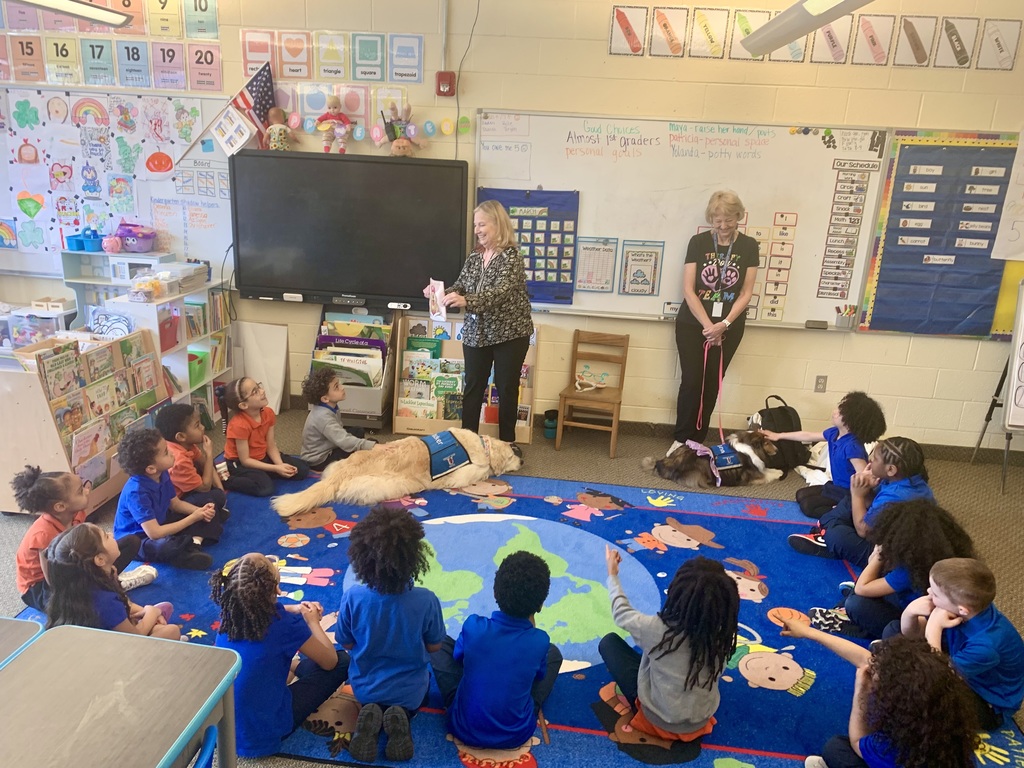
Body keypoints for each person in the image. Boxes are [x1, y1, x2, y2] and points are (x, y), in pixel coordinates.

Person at [780, 618, 979, 768]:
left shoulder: (891, 749)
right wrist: (809, 632)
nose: (872, 671)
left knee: (836, 749)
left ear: (897, 698)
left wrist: (861, 691)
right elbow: (867, 661)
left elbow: (857, 741)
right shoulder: (941, 714)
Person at [212, 552, 349, 758]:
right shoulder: (284, 625)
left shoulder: (231, 614)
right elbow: (330, 662)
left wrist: (292, 608)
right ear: (276, 587)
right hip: (265, 732)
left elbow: (263, 610)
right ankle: (295, 667)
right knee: (341, 662)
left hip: (222, 729)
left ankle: (292, 666)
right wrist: (312, 622)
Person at [336, 506, 445, 763]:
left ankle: (371, 713)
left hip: (365, 688)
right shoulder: (426, 601)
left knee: (361, 685)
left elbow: (346, 641)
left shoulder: (353, 596)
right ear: (413, 558)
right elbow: (434, 647)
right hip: (411, 693)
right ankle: (401, 716)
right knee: (420, 692)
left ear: (361, 557)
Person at [598, 547, 739, 742]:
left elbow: (621, 613)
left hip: (657, 720)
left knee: (609, 644)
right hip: (700, 719)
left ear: (676, 593)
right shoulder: (723, 632)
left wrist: (612, 574)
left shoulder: (657, 629)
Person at [426, 200, 533, 452]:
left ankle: (507, 443)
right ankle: (467, 442)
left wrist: (466, 301)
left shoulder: (512, 258)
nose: (477, 229)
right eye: (476, 225)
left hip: (510, 333)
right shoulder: (475, 256)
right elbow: (461, 284)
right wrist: (439, 293)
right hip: (477, 333)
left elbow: (500, 293)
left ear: (498, 224)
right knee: (473, 386)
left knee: (507, 388)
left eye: (482, 224)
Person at [430, 551, 562, 749]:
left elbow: (458, 658)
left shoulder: (473, 626)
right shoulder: (540, 640)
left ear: (495, 592)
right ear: (541, 605)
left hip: (461, 727)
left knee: (439, 641)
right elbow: (539, 676)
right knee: (553, 654)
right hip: (517, 733)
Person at [669, 190, 759, 456]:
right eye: (718, 221)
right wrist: (710, 326)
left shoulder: (749, 246)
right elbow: (688, 289)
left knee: (711, 383)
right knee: (692, 381)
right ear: (711, 219)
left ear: (738, 217)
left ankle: (697, 441)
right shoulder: (697, 242)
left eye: (729, 220)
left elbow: (746, 292)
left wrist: (725, 324)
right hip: (693, 324)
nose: (723, 226)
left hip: (728, 327)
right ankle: (681, 439)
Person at [813, 499, 974, 639]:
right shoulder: (943, 559)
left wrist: (879, 556)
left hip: (918, 626)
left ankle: (858, 627)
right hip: (924, 616)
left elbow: (862, 587)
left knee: (856, 603)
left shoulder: (907, 571)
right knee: (872, 585)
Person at [900, 557, 1024, 731]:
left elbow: (935, 676)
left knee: (922, 695)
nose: (928, 593)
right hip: (959, 665)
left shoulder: (987, 646)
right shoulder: (966, 610)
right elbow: (912, 635)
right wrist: (910, 612)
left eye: (935, 594)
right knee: (894, 632)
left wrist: (934, 628)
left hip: (987, 703)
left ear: (962, 610)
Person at [12, 465, 153, 610]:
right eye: (80, 491)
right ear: (60, 507)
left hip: (68, 567)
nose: (87, 491)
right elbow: (54, 580)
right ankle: (106, 585)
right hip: (41, 588)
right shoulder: (43, 535)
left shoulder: (77, 513)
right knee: (86, 607)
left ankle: (109, 582)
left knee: (131, 542)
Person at [789, 437, 933, 565]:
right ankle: (827, 530)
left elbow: (863, 531)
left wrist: (858, 495)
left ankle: (827, 541)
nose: (870, 460)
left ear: (891, 469)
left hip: (887, 556)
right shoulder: (910, 479)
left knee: (837, 534)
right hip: (887, 532)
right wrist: (865, 490)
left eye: (875, 459)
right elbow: (871, 504)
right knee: (849, 501)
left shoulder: (896, 495)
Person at [760, 391, 886, 519]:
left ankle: (846, 513)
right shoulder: (834, 433)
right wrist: (778, 436)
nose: (835, 411)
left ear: (851, 420)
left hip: (849, 493)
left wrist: (860, 499)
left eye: (840, 411)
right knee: (801, 495)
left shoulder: (852, 446)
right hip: (837, 486)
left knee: (808, 506)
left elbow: (865, 475)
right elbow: (807, 435)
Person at [45, 523, 181, 640]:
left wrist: (143, 612)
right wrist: (152, 612)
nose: (111, 533)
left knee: (152, 625)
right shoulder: (104, 600)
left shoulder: (83, 583)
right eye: (106, 535)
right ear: (100, 560)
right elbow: (134, 636)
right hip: (109, 655)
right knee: (172, 631)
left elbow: (124, 602)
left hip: (98, 642)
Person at [112, 428, 224, 570]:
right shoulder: (136, 492)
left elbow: (175, 504)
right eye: (166, 452)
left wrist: (200, 511)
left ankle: (194, 544)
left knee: (210, 502)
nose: (171, 453)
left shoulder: (162, 473)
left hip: (162, 520)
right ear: (151, 469)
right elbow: (154, 533)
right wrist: (194, 518)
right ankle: (187, 550)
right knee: (165, 546)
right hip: (142, 538)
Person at [217, 377, 310, 496]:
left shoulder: (268, 413)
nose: (262, 391)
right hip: (240, 463)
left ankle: (265, 472)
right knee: (265, 489)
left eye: (258, 386)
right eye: (255, 391)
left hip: (262, 455)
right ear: (244, 405)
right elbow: (245, 461)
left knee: (302, 469)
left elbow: (270, 445)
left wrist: (279, 465)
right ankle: (226, 480)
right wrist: (275, 469)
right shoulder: (239, 425)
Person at [155, 403, 229, 516]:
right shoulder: (179, 461)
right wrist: (209, 454)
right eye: (197, 425)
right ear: (180, 436)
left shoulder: (186, 444)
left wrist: (221, 490)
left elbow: (204, 464)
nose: (203, 427)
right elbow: (205, 487)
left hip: (189, 485)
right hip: (177, 502)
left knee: (212, 473)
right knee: (215, 498)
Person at [299, 367, 379, 471]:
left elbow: (339, 434)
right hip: (319, 460)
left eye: (339, 384)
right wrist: (372, 446)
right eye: (336, 387)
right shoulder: (323, 417)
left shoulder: (330, 406)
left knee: (358, 431)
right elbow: (344, 441)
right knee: (369, 448)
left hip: (329, 445)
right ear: (325, 398)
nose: (342, 388)